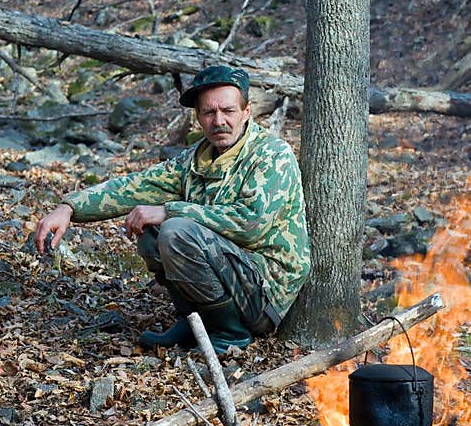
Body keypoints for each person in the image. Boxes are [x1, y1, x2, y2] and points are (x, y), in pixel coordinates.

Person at [33, 64, 310, 354]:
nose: (219, 121)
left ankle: (230, 334)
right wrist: (69, 207)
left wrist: (170, 210)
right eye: (209, 113)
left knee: (175, 229)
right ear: (198, 117)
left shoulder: (271, 154)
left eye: (228, 111)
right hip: (231, 273)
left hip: (265, 292)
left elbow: (251, 224)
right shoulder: (195, 159)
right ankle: (194, 321)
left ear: (246, 112)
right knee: (150, 226)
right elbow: (136, 186)